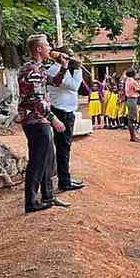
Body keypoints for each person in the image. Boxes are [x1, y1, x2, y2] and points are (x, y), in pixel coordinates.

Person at [18, 34, 71, 213]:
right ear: (39, 49)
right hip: (35, 120)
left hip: (40, 119)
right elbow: (35, 99)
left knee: (48, 159)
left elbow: (55, 82)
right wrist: (53, 118)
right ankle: (31, 202)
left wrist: (63, 67)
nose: (50, 48)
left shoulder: (39, 69)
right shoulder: (32, 70)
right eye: (47, 45)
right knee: (37, 160)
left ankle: (48, 196)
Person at [45, 47, 86, 193]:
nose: (72, 59)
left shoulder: (64, 70)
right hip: (61, 113)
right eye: (70, 56)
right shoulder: (55, 70)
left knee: (65, 147)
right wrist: (78, 69)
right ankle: (64, 181)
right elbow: (74, 86)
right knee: (63, 148)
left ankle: (65, 178)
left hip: (66, 112)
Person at [123, 68, 140, 142]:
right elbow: (139, 89)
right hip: (132, 99)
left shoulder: (127, 80)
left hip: (130, 99)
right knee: (131, 119)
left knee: (131, 118)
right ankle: (132, 137)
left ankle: (133, 135)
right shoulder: (132, 81)